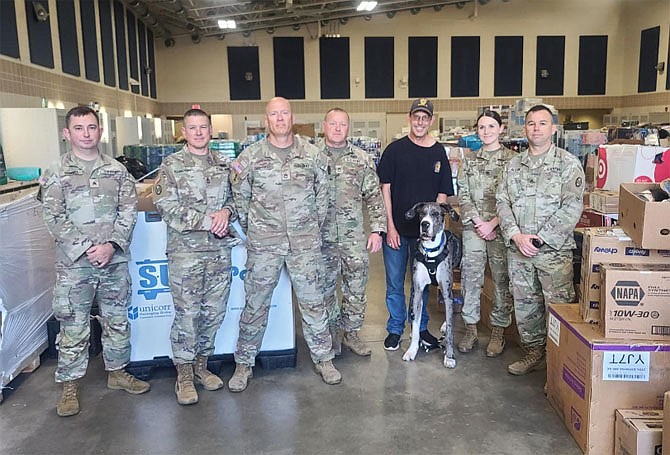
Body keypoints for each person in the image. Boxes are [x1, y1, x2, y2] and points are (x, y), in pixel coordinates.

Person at [40, 106, 150, 417]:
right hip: (75, 265)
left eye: (91, 127)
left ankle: (117, 372)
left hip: (113, 261)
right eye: (79, 128)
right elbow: (53, 217)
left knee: (116, 319)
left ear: (100, 131)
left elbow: (128, 213)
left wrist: (111, 246)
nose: (86, 134)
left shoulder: (117, 172)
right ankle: (70, 384)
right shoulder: (56, 173)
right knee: (73, 325)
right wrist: (88, 248)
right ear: (67, 133)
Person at [228, 97, 339, 391]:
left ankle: (324, 359)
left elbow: (323, 197)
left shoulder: (312, 155)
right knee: (255, 304)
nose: (280, 119)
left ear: (293, 117)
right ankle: (244, 364)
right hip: (264, 244)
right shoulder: (250, 157)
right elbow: (240, 198)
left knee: (314, 303)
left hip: (304, 243)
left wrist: (309, 227)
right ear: (267, 120)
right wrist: (257, 231)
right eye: (274, 114)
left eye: (285, 113)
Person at [152, 108, 239, 405]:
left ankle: (202, 365)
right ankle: (184, 375)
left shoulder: (223, 164)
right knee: (188, 316)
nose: (199, 132)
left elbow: (235, 201)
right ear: (184, 132)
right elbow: (167, 207)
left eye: (203, 127)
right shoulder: (171, 165)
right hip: (186, 254)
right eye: (193, 128)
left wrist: (226, 213)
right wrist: (209, 221)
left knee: (214, 313)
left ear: (211, 130)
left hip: (218, 253)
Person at [496, 104, 584, 376]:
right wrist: (515, 235)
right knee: (526, 305)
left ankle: (560, 364)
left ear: (553, 128)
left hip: (553, 253)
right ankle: (534, 352)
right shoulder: (513, 165)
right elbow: (502, 202)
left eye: (542, 123)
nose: (536, 128)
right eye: (531, 123)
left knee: (558, 308)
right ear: (525, 129)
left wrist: (541, 239)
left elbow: (572, 207)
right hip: (519, 250)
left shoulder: (568, 165)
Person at [377, 98, 454, 352]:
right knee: (396, 282)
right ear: (409, 118)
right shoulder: (394, 150)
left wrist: (435, 232)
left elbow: (443, 194)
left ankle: (420, 329)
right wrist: (390, 226)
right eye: (416, 117)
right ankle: (395, 328)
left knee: (423, 285)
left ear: (431, 120)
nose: (420, 122)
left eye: (425, 117)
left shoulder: (438, 152)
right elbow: (384, 190)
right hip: (397, 231)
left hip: (428, 237)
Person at [320, 108, 386, 357]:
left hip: (353, 237)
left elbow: (374, 197)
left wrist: (378, 230)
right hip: (321, 238)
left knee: (355, 287)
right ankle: (330, 335)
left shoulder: (361, 159)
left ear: (349, 128)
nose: (338, 129)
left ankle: (351, 334)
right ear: (324, 125)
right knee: (324, 289)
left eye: (343, 124)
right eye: (333, 124)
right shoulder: (311, 158)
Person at [457, 111, 515, 357]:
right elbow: (463, 194)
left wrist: (493, 224)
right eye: (482, 127)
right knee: (471, 279)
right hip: (474, 228)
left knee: (502, 280)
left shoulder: (513, 161)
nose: (487, 131)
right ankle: (470, 329)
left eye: (492, 126)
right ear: (476, 131)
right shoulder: (469, 161)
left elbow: (515, 198)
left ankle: (498, 333)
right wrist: (480, 222)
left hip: (502, 229)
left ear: (501, 129)